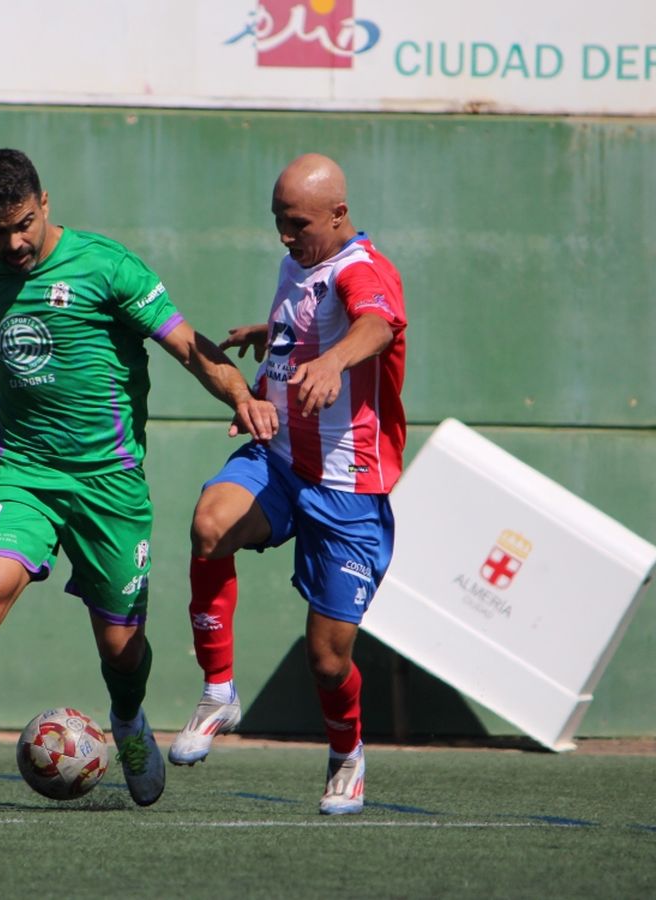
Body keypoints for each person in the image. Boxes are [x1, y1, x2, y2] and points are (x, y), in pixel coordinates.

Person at [0, 148, 277, 807]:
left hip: (109, 485)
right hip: (23, 472)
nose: (12, 242)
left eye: (21, 223)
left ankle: (128, 720)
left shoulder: (106, 266)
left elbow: (186, 344)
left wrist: (240, 395)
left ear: (44, 204)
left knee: (122, 649)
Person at [168, 153, 407, 816]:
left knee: (328, 663)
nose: (285, 235)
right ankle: (219, 690)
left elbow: (375, 323)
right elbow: (308, 320)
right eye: (278, 222)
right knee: (209, 525)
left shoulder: (365, 268)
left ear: (339, 214)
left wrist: (331, 362)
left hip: (347, 487)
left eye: (297, 223)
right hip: (278, 457)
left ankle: (346, 755)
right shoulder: (297, 263)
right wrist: (267, 333)